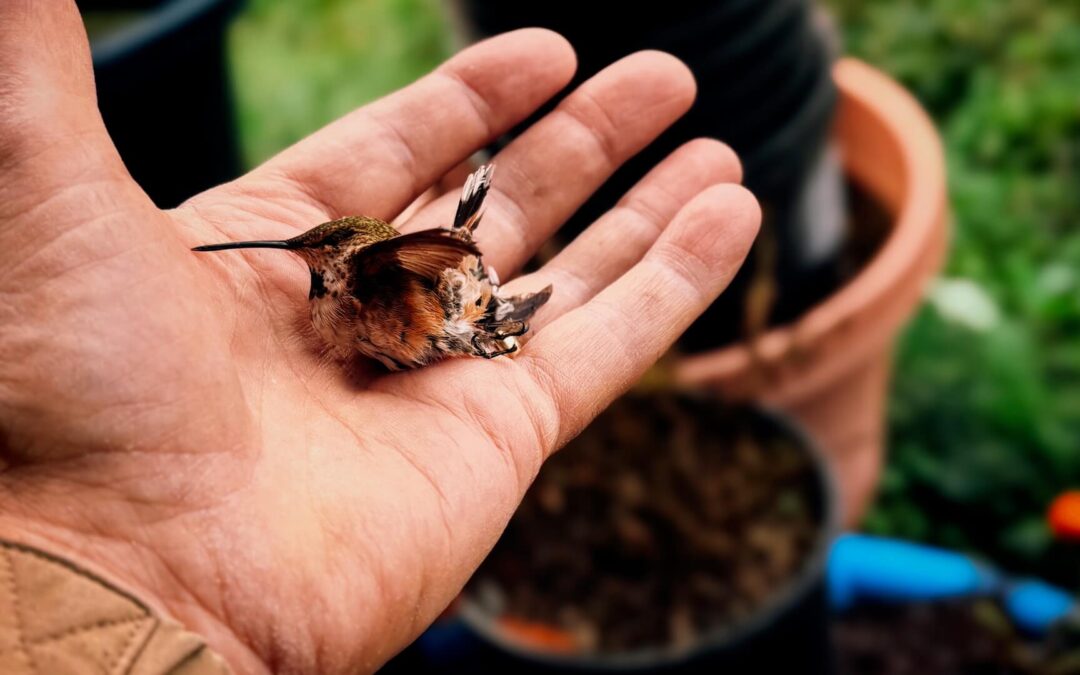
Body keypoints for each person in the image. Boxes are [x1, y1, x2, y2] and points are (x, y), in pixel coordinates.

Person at [0, 2, 759, 673]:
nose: (301, 258)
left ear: (346, 258)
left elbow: (397, 264)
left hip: (429, 312)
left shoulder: (368, 272)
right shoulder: (328, 303)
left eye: (316, 252)